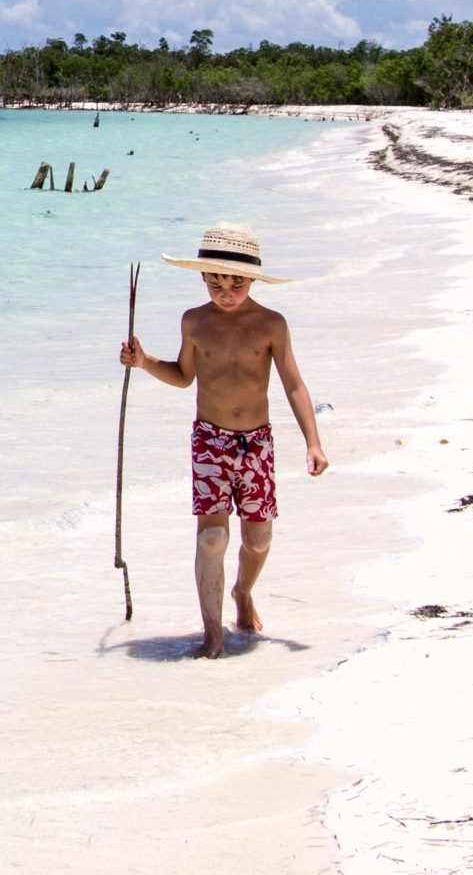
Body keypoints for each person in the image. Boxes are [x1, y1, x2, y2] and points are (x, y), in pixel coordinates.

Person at [118, 221, 329, 658]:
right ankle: (211, 632)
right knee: (210, 539)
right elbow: (182, 376)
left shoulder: (272, 324)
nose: (226, 292)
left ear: (252, 279)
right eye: (215, 283)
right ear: (203, 279)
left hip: (257, 444)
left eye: (235, 284)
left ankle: (243, 592)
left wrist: (313, 441)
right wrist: (144, 361)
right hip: (209, 441)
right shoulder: (194, 321)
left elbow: (293, 384)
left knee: (258, 541)